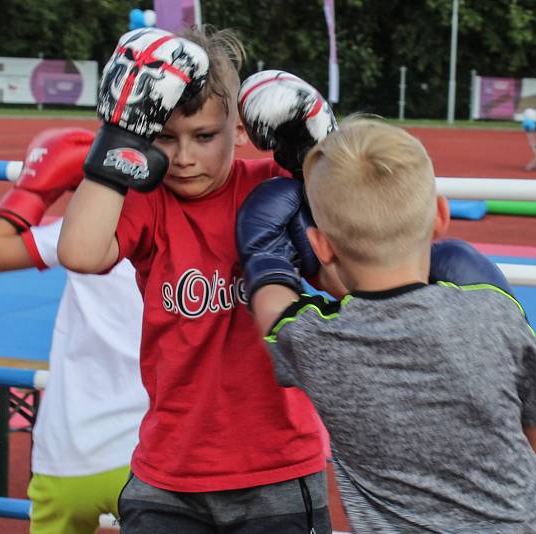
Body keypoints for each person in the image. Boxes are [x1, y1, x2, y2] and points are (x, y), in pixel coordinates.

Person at [59, 27, 334, 532]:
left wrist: (321, 162)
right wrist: (119, 139)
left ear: (239, 128)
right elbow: (79, 253)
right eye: (165, 136)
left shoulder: (274, 188)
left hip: (277, 466)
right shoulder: (148, 200)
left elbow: (351, 276)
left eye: (204, 137)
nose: (184, 157)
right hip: (169, 471)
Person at [259, 116, 536, 532]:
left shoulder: (317, 340)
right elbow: (535, 428)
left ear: (321, 246)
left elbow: (271, 305)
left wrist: (263, 252)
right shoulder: (493, 313)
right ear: (441, 216)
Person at [0, 127, 148, 534]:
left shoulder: (78, 237)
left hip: (71, 454)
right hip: (156, 455)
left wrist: (33, 193)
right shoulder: (177, 228)